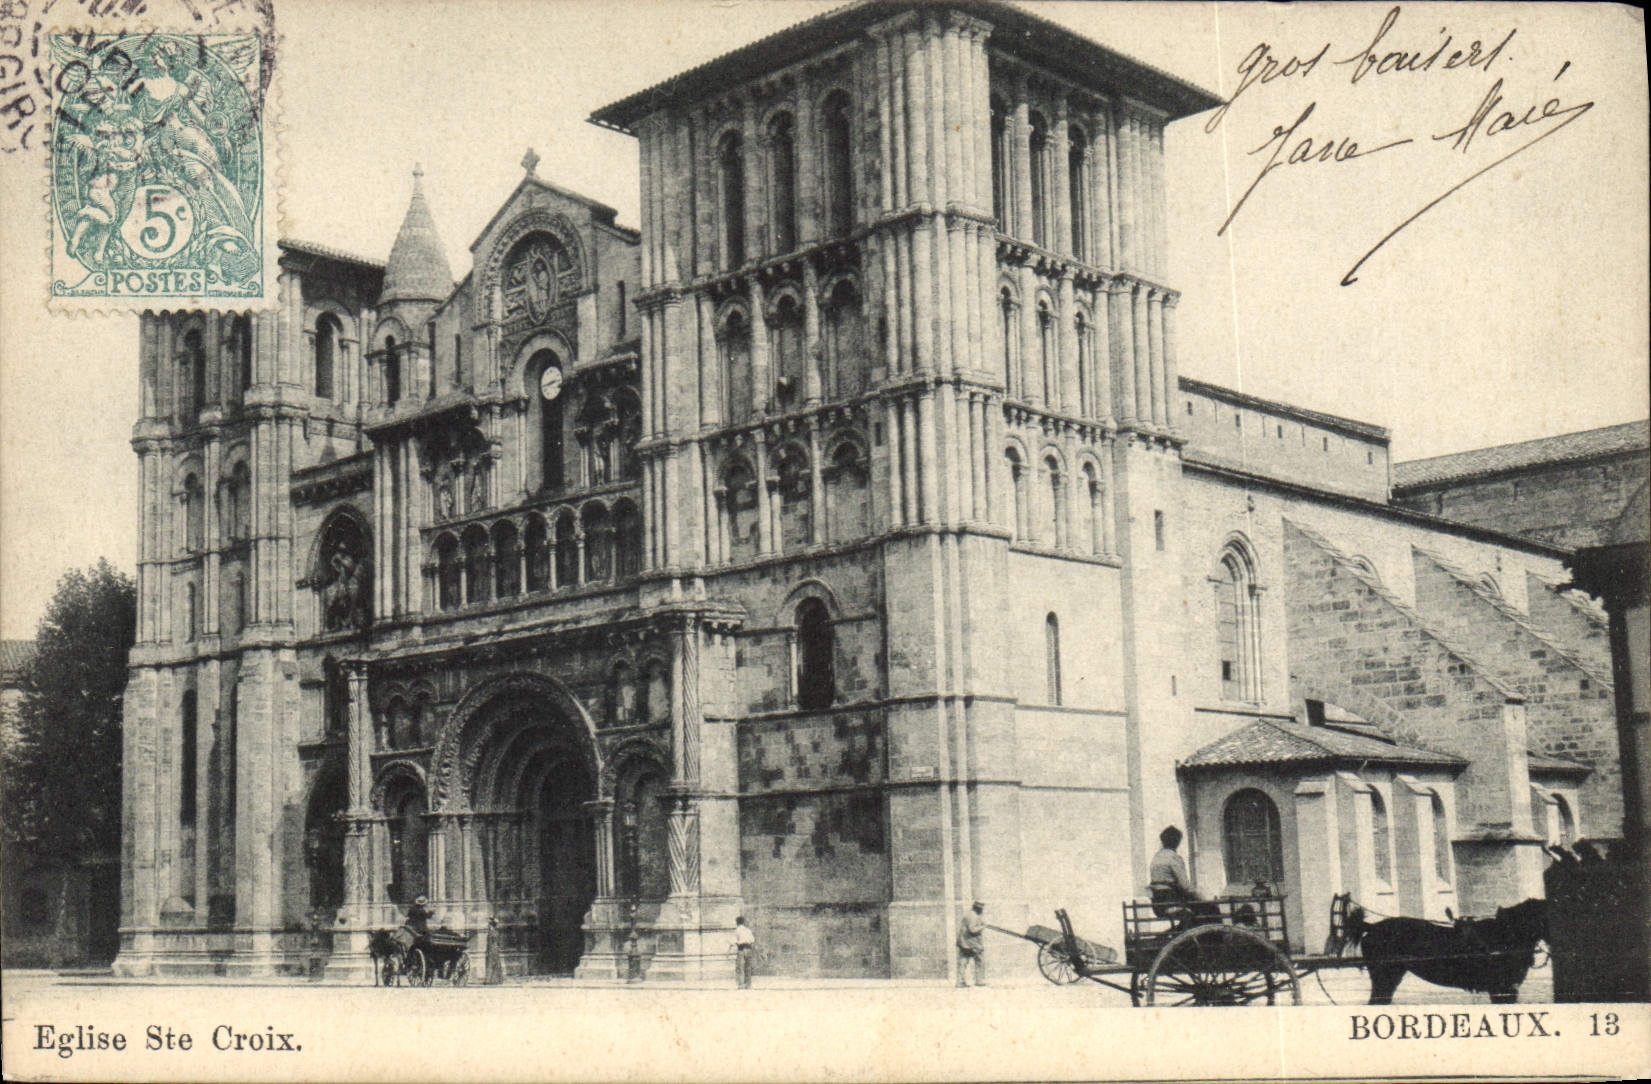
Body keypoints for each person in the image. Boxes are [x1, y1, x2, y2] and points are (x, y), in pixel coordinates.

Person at [1149, 826, 1219, 923]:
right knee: (1212, 909)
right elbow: (1185, 886)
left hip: (1158, 902)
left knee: (1198, 909)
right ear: (1176, 842)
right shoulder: (1173, 857)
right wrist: (1203, 899)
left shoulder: (1156, 857)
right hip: (1171, 900)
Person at [956, 901, 986, 988]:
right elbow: (972, 930)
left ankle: (960, 981)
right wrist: (983, 926)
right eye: (981, 908)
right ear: (978, 908)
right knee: (979, 960)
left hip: (964, 942)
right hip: (972, 943)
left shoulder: (969, 914)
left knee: (963, 962)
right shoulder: (973, 916)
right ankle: (979, 980)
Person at [731, 915, 756, 989]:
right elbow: (752, 940)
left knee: (740, 967)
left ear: (737, 922)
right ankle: (748, 985)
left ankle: (741, 984)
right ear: (743, 922)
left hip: (741, 949)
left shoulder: (737, 930)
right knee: (748, 967)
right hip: (749, 949)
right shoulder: (748, 930)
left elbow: (733, 941)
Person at [484, 915, 504, 985]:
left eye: (489, 924)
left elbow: (489, 942)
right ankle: (496, 980)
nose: (488, 926)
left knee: (490, 963)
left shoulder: (491, 932)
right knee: (496, 963)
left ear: (491, 925)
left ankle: (489, 980)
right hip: (495, 948)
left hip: (491, 948)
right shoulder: (496, 932)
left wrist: (487, 950)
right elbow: (498, 942)